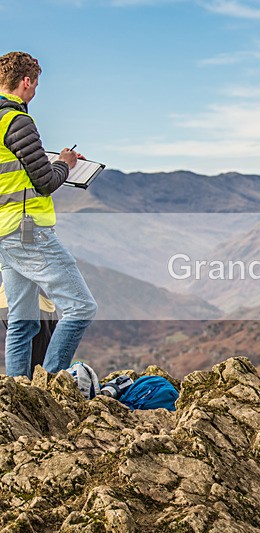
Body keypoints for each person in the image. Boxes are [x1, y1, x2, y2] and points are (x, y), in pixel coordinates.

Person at [0, 51, 97, 378]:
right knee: (82, 307)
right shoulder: (17, 121)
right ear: (25, 82)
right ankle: (52, 383)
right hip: (28, 232)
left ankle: (17, 393)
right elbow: (45, 182)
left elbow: (17, 171)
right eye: (36, 83)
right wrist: (66, 164)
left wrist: (53, 160)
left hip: (4, 234)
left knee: (22, 321)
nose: (36, 91)